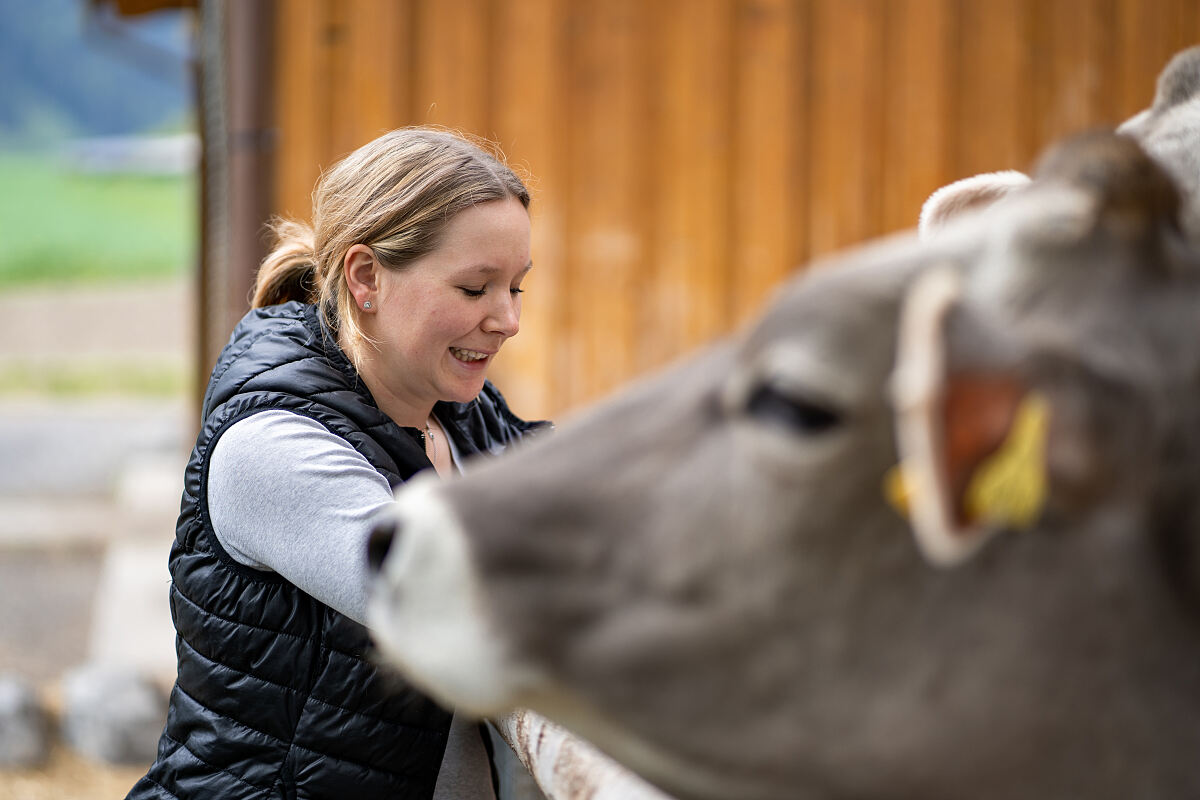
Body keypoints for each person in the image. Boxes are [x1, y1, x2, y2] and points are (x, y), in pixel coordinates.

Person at [126, 127, 549, 800]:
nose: (506, 320)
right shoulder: (273, 449)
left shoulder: (456, 410)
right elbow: (455, 601)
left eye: (515, 289)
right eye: (475, 289)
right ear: (365, 277)